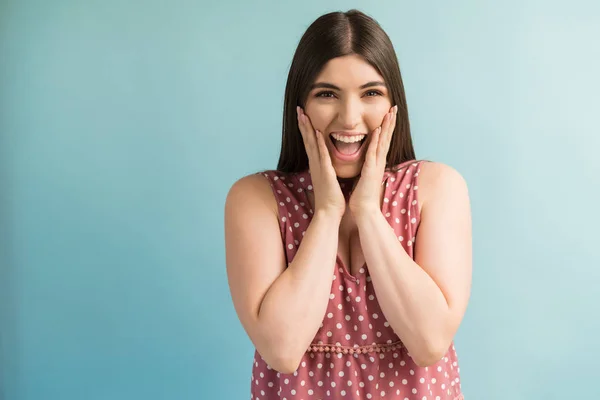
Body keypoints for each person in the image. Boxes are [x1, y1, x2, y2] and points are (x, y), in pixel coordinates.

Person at [224, 9, 472, 400]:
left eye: (371, 93)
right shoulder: (256, 200)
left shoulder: (437, 188)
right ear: (300, 104)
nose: (350, 117)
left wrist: (369, 213)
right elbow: (282, 351)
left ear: (394, 105)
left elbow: (429, 343)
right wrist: (326, 213)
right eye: (327, 94)